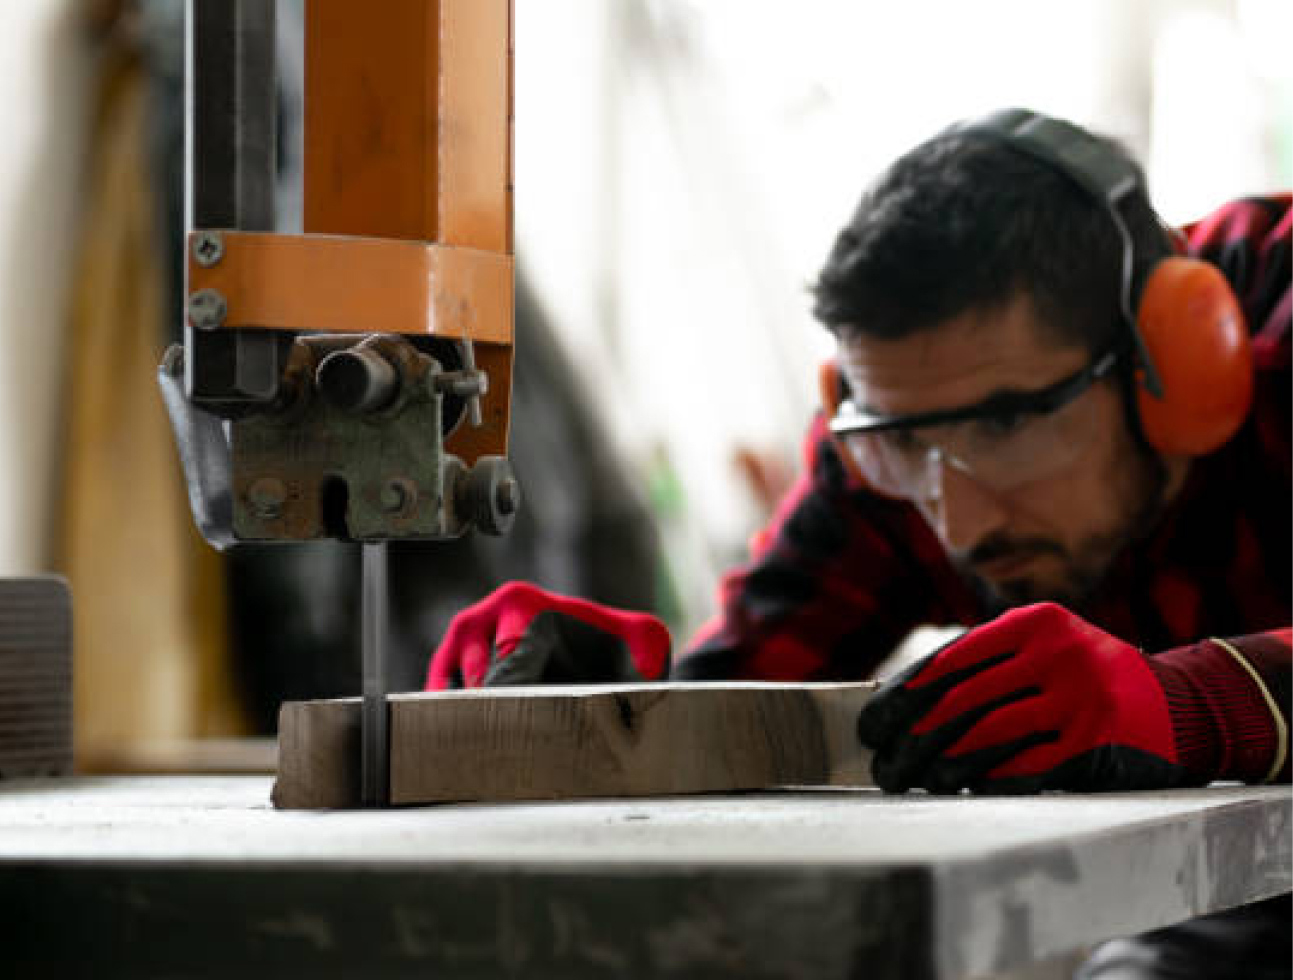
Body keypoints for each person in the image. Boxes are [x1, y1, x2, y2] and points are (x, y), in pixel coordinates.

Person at [425, 109, 1290, 979]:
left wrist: (1193, 703)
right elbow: (751, 689)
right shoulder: (889, 455)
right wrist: (609, 707)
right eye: (904, 442)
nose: (958, 521)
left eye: (1008, 423)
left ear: (1176, 356)